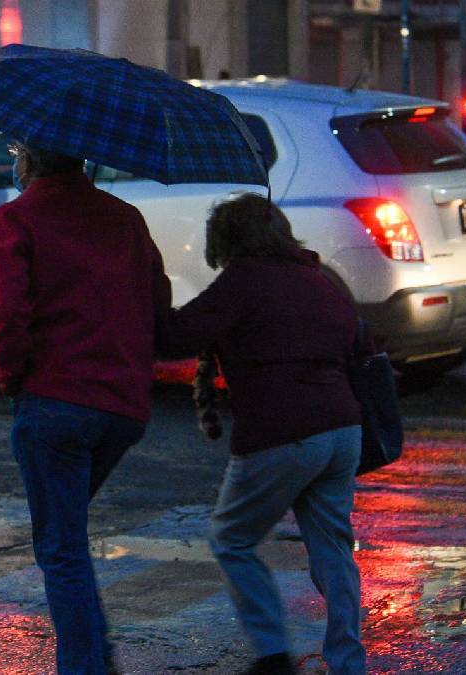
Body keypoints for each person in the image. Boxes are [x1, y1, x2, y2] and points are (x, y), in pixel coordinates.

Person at [0, 141, 173, 674]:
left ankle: (87, 665)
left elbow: (5, 312)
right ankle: (94, 657)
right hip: (122, 407)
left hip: (55, 402)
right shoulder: (125, 218)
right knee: (66, 531)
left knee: (61, 547)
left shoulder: (16, 219)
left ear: (29, 160)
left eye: (17, 151)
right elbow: (157, 304)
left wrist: (11, 379)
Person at [157, 193, 367, 675]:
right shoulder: (317, 279)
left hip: (281, 431)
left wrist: (147, 289)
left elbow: (174, 338)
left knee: (232, 538)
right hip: (342, 428)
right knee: (333, 550)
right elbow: (359, 344)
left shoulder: (244, 280)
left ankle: (273, 654)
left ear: (227, 239)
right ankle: (348, 663)